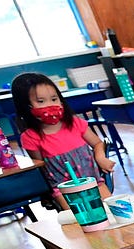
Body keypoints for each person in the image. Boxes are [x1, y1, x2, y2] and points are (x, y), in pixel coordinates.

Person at [11, 72, 115, 208]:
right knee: (76, 221)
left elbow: (97, 143)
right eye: (41, 101)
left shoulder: (75, 123)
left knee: (110, 208)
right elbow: (40, 166)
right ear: (26, 106)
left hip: (93, 181)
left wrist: (100, 157)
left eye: (54, 99)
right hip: (63, 191)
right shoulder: (30, 137)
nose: (50, 105)